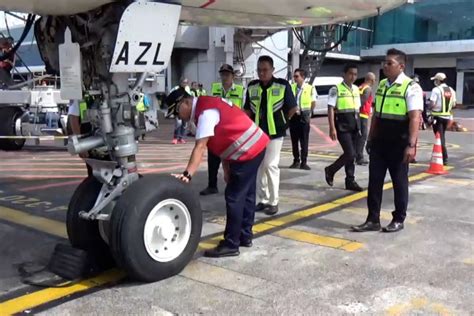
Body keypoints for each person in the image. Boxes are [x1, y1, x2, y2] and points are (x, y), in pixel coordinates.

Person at [167, 88, 269, 257]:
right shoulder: (207, 106)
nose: (178, 117)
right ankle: (244, 236)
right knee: (247, 194)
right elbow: (221, 141)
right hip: (255, 146)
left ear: (185, 102)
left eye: (177, 112)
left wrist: (187, 175)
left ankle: (231, 244)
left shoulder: (205, 113)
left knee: (234, 197)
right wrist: (227, 168)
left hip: (248, 151)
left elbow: (200, 146)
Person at [352, 48, 423, 233]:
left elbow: (415, 117)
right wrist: (370, 138)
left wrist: (411, 145)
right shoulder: (382, 84)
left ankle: (399, 219)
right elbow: (376, 114)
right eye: (384, 62)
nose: (385, 66)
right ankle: (372, 219)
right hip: (379, 142)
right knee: (374, 181)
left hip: (399, 143)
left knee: (399, 181)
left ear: (401, 66)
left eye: (389, 63)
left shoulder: (411, 87)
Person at [244, 55, 297, 216]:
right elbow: (247, 110)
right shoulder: (252, 86)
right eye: (259, 70)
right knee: (259, 167)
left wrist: (282, 121)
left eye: (265, 70)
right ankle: (263, 200)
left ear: (272, 70)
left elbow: (293, 108)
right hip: (257, 134)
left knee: (270, 165)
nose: (262, 73)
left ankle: (274, 201)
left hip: (275, 133)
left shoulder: (282, 85)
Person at [200, 64, 245, 196]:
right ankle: (212, 185)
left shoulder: (241, 90)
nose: (224, 77)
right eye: (222, 74)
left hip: (233, 131)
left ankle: (233, 186)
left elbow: (244, 110)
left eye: (227, 74)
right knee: (213, 159)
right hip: (216, 130)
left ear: (233, 76)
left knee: (233, 161)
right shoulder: (214, 89)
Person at [324, 64, 364, 192]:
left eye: (355, 74)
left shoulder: (356, 89)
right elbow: (330, 108)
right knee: (350, 153)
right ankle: (331, 170)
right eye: (351, 74)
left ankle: (350, 180)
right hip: (342, 126)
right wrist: (332, 128)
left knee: (352, 155)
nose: (353, 77)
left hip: (354, 125)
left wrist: (361, 126)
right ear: (344, 74)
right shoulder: (336, 89)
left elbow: (357, 109)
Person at [289, 68, 317, 170]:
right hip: (293, 117)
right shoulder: (291, 87)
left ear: (303, 77)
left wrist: (309, 114)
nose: (294, 78)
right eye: (294, 76)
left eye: (297, 76)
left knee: (304, 140)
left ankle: (304, 162)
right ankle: (296, 160)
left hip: (304, 116)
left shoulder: (310, 88)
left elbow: (313, 102)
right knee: (294, 140)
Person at [429, 72, 456, 166]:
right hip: (447, 117)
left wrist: (428, 107)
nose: (435, 82)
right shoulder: (451, 90)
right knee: (441, 136)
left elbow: (432, 104)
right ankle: (440, 156)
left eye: (435, 80)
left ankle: (444, 158)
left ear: (438, 80)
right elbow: (454, 104)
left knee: (440, 138)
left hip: (437, 116)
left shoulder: (436, 90)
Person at [356, 72, 376, 166]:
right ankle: (359, 157)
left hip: (359, 114)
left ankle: (357, 155)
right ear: (371, 80)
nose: (374, 82)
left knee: (359, 136)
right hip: (363, 114)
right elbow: (362, 101)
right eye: (374, 80)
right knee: (363, 136)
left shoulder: (360, 87)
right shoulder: (368, 89)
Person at [169, 78, 190, 144]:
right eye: (184, 82)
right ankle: (175, 138)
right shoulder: (176, 88)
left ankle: (181, 138)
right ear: (180, 82)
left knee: (184, 124)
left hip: (186, 109)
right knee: (178, 123)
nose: (185, 84)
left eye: (186, 82)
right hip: (178, 108)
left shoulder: (188, 89)